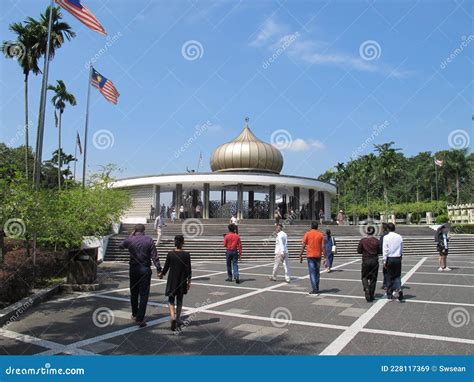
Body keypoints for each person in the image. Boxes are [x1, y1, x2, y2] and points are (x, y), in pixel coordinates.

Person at [120, 224, 161, 327]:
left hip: (134, 269)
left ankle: (134, 313)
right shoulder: (149, 240)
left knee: (134, 292)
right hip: (145, 269)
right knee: (144, 294)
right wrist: (159, 269)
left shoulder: (131, 239)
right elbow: (154, 256)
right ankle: (140, 318)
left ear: (134, 230)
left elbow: (120, 246)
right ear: (144, 230)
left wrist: (130, 236)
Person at [159, 235, 192, 331]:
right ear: (183, 243)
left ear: (175, 243)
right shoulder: (186, 254)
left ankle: (172, 317)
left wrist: (161, 274)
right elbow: (188, 269)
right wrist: (189, 281)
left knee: (171, 299)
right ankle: (178, 319)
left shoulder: (170, 254)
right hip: (182, 280)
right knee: (180, 299)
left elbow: (166, 267)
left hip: (172, 280)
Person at [300, 222, 324, 294]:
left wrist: (301, 255)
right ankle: (317, 287)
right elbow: (323, 247)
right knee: (317, 272)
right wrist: (325, 257)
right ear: (317, 227)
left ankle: (314, 289)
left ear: (311, 227)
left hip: (310, 256)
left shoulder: (307, 234)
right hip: (318, 255)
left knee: (312, 273)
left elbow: (303, 245)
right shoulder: (321, 234)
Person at [357, 226, 380, 302]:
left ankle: (366, 288)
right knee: (373, 278)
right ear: (373, 232)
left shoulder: (363, 240)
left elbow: (359, 251)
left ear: (367, 232)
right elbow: (380, 251)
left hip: (366, 260)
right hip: (374, 261)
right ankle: (372, 294)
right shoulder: (376, 241)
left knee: (364, 277)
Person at [383, 223, 404, 302]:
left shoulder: (386, 237)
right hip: (397, 257)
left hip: (390, 258)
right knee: (397, 275)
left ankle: (389, 295)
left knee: (389, 276)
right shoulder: (399, 237)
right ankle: (398, 289)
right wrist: (401, 255)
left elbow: (385, 250)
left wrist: (384, 261)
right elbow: (402, 248)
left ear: (388, 229)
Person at [379, 223, 389, 292]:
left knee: (385, 271)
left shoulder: (383, 236)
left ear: (383, 228)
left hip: (386, 255)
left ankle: (386, 284)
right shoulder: (390, 235)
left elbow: (381, 246)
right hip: (394, 255)